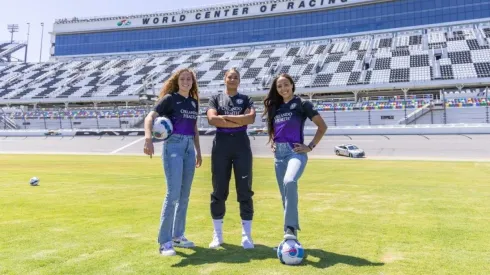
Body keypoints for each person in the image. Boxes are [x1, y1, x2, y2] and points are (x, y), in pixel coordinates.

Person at [143, 68, 202, 256]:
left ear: (192, 82)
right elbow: (150, 117)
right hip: (173, 146)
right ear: (178, 82)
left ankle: (178, 235)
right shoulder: (170, 99)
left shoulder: (193, 103)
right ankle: (164, 241)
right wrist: (148, 138)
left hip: (188, 149)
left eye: (189, 79)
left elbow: (194, 129)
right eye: (183, 79)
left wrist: (198, 151)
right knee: (173, 194)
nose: (186, 81)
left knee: (185, 195)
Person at [263, 73, 327, 241]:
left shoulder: (302, 104)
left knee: (289, 181)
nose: (283, 88)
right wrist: (274, 141)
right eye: (279, 86)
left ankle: (290, 228)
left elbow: (322, 126)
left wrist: (310, 147)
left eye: (286, 84)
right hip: (279, 156)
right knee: (285, 197)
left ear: (292, 85)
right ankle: (290, 238)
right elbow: (274, 128)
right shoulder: (274, 107)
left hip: (295, 152)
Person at [206, 68, 256, 249]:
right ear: (224, 79)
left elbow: (250, 119)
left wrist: (225, 117)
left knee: (245, 190)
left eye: (236, 77)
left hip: (241, 146)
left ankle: (247, 236)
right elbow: (212, 119)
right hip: (221, 146)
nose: (233, 79)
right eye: (230, 76)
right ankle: (217, 235)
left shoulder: (247, 99)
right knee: (219, 190)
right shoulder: (215, 99)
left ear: (239, 80)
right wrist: (238, 119)